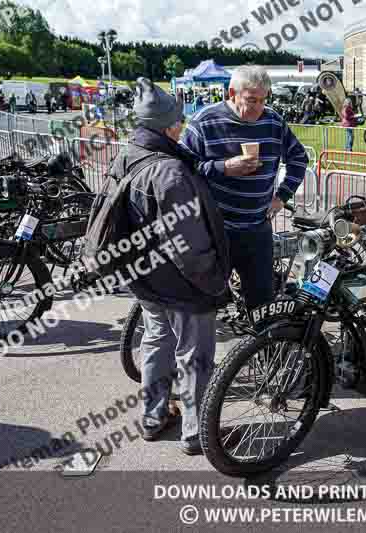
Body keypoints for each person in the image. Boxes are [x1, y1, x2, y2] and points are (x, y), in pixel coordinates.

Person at [109, 78, 231, 455]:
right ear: (167, 125)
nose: (182, 125)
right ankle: (196, 434)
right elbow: (189, 246)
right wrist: (214, 282)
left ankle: (153, 416)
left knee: (156, 343)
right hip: (179, 282)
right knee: (194, 357)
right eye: (178, 120)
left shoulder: (128, 153)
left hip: (145, 276)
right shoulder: (170, 172)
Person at [179, 65, 308, 314]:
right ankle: (202, 353)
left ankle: (259, 352)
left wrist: (282, 196)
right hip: (215, 230)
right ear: (231, 93)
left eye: (263, 100)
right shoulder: (205, 121)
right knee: (204, 303)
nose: (258, 108)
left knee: (262, 305)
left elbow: (299, 159)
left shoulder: (273, 121)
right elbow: (181, 170)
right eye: (251, 100)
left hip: (257, 230)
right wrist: (223, 167)